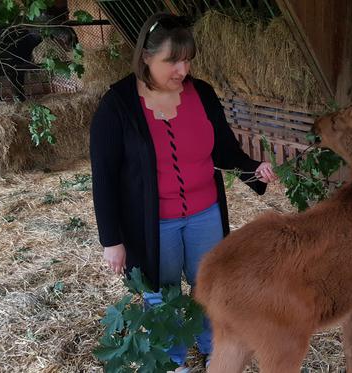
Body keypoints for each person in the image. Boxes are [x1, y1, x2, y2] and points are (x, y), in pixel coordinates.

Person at [89, 12, 276, 372]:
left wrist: (254, 169)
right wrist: (111, 240)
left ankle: (213, 350)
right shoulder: (117, 107)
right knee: (162, 294)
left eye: (187, 60)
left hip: (205, 213)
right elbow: (105, 179)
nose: (182, 70)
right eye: (172, 61)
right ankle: (171, 359)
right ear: (145, 56)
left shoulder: (202, 94)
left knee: (209, 289)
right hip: (153, 223)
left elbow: (223, 149)